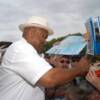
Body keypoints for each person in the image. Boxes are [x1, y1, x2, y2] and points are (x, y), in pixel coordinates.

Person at [0, 16, 90, 100]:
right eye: (44, 37)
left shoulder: (31, 53)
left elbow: (54, 63)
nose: (45, 41)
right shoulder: (20, 48)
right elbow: (50, 78)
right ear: (31, 33)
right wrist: (79, 69)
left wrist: (78, 41)